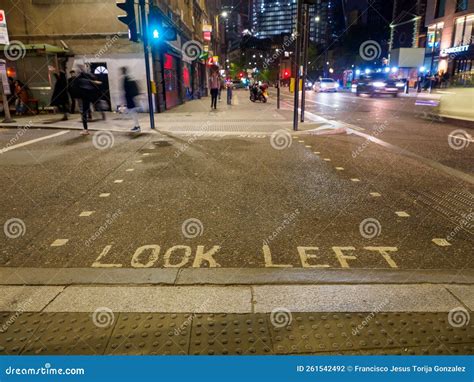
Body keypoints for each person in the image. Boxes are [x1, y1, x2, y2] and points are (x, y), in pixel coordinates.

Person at [71, 65, 101, 135]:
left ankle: (85, 129)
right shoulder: (87, 77)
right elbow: (95, 80)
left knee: (83, 112)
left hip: (83, 97)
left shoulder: (78, 79)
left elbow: (74, 88)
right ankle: (86, 128)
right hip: (89, 96)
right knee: (85, 111)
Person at [121, 66, 141, 132]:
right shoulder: (129, 77)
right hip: (131, 98)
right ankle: (136, 126)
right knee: (132, 112)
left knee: (133, 112)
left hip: (130, 98)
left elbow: (126, 90)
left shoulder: (126, 78)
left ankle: (137, 126)